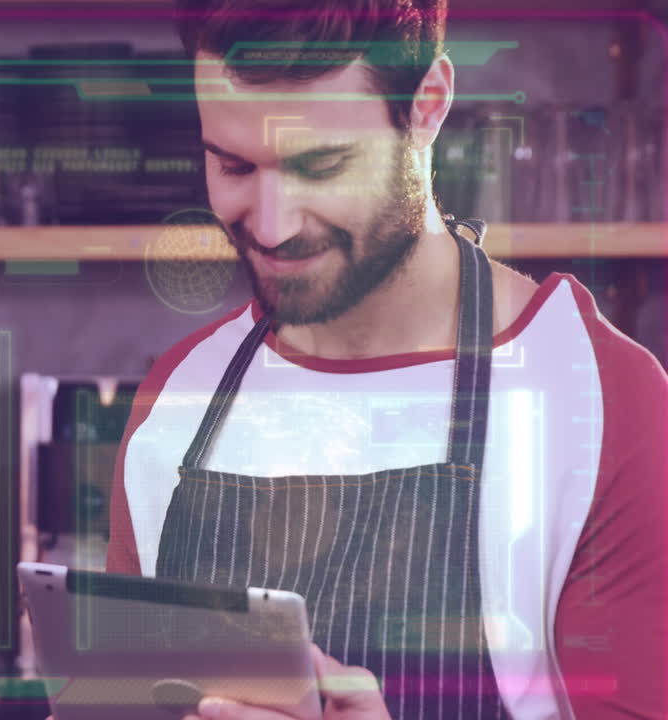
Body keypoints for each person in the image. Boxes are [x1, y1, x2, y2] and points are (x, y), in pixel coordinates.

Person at [105, 1, 668, 719]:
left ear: (426, 105)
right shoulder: (178, 395)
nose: (272, 226)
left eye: (322, 165)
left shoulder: (600, 399)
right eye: (234, 165)